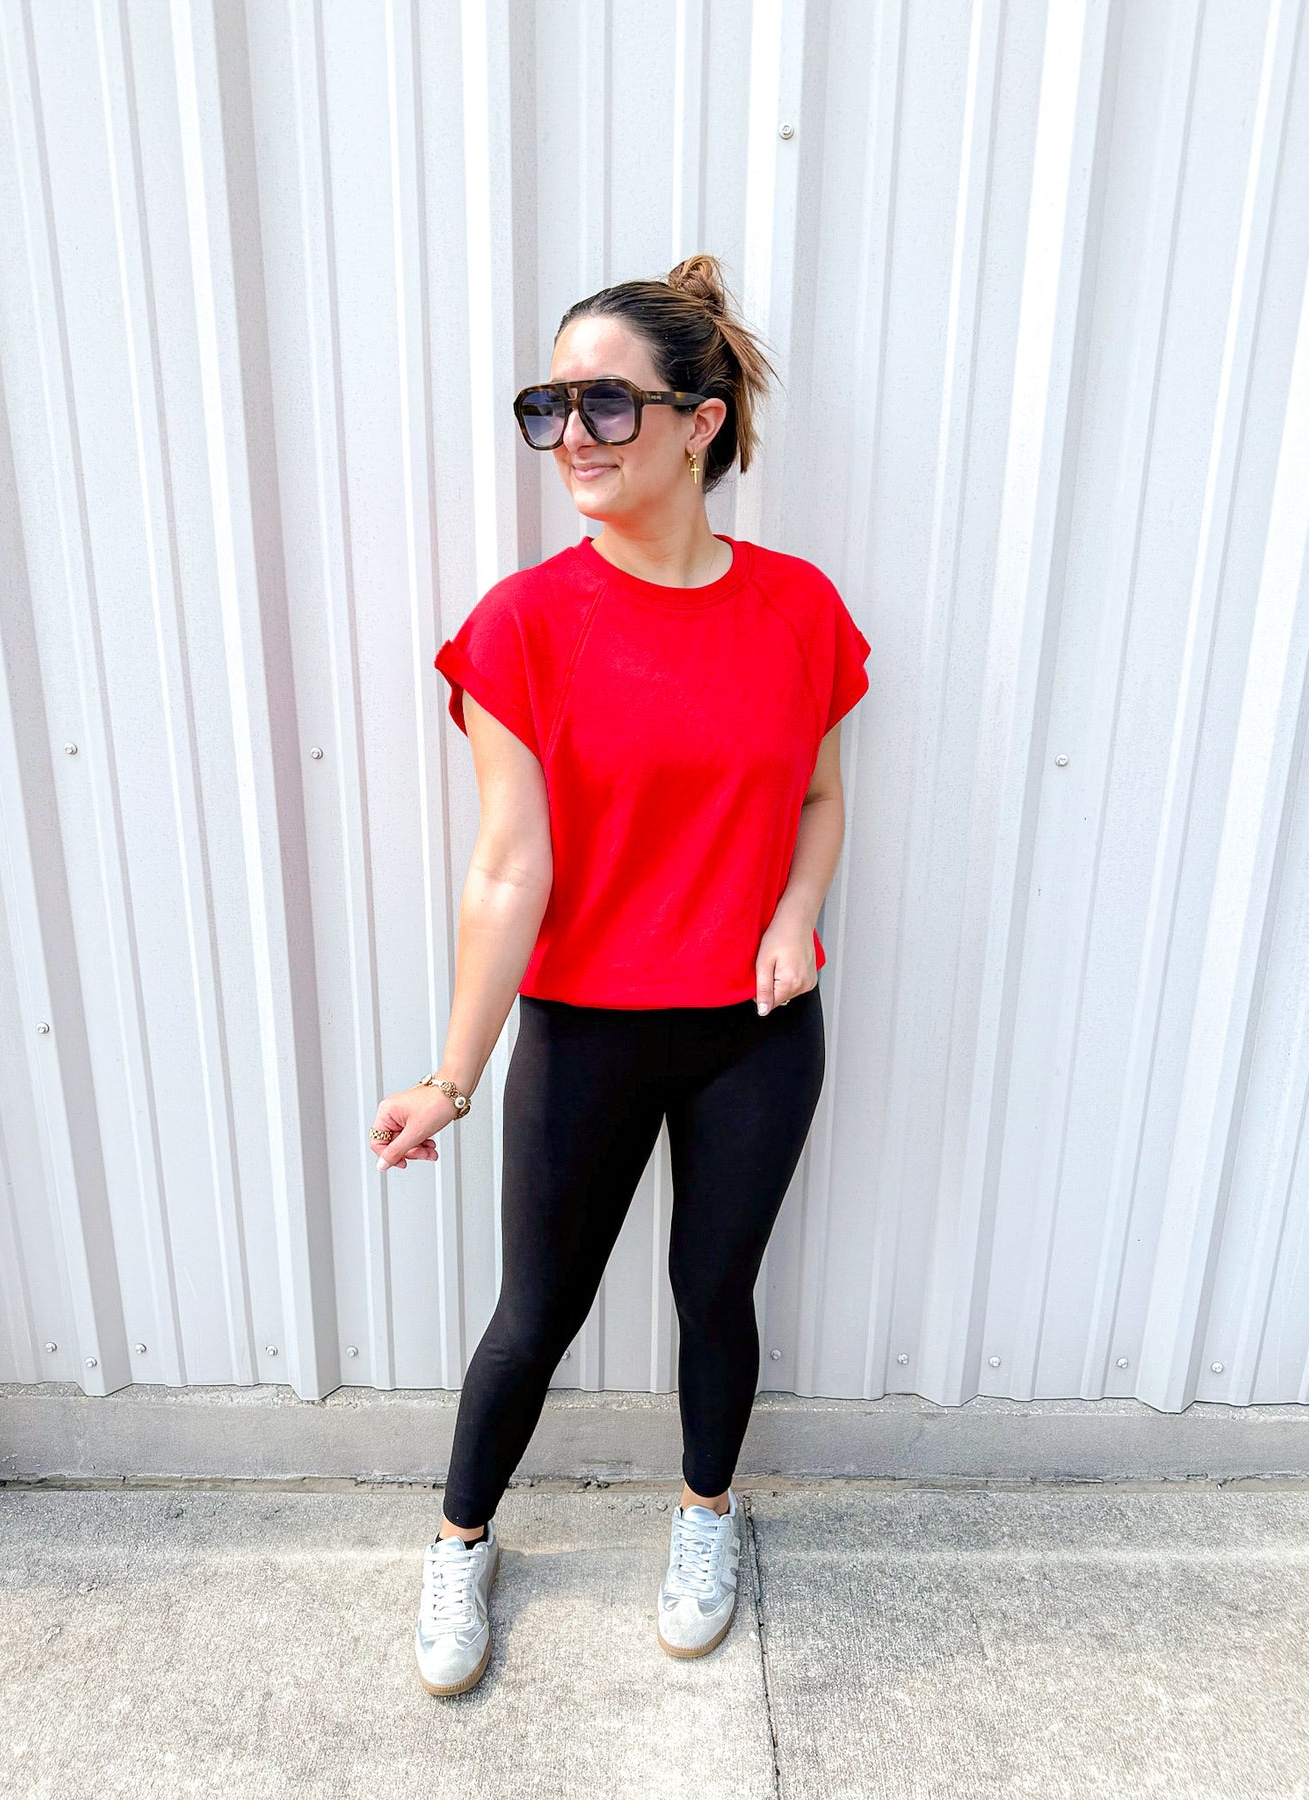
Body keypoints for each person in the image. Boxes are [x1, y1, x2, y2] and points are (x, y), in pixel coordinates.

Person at [368, 252, 871, 1697]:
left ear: (700, 423)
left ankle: (707, 1519)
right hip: (585, 1030)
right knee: (536, 1314)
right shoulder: (525, 623)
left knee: (716, 1292)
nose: (571, 438)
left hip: (755, 1030)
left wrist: (795, 914)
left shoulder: (798, 608)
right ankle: (462, 1541)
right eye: (550, 407)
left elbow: (820, 799)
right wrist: (451, 1077)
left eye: (604, 404)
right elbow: (506, 869)